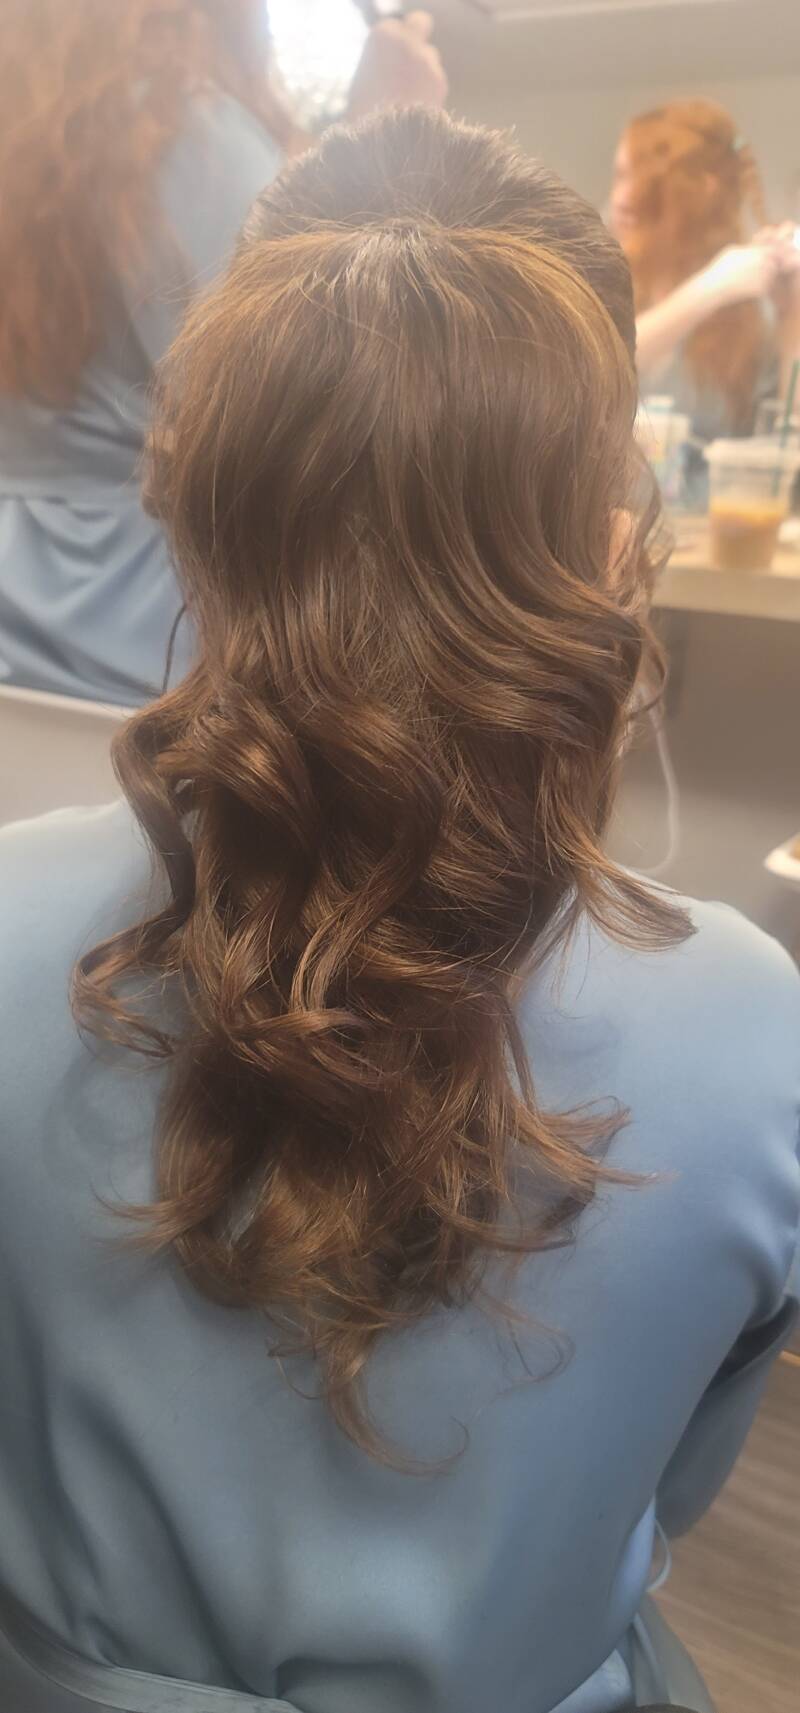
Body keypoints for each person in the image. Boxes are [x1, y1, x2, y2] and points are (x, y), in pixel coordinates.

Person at [0, 108, 798, 1713]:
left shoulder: (12, 911)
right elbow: (658, 1493)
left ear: (197, 515)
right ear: (607, 550)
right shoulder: (758, 1034)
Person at [0, 2, 446, 708]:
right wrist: (379, 145)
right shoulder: (183, 132)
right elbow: (320, 415)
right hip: (141, 650)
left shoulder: (36, 143)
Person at [610, 100, 800, 442]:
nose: (620, 198)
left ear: (702, 189)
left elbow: (787, 437)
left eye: (638, 179)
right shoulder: (604, 282)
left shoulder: (752, 313)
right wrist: (710, 288)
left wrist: (792, 319)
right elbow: (599, 367)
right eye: (620, 176)